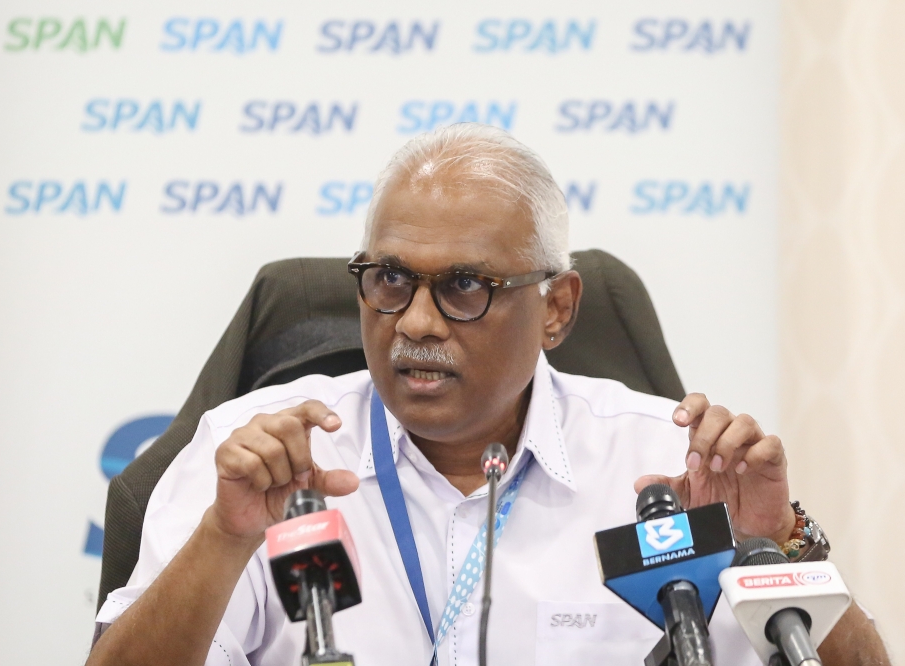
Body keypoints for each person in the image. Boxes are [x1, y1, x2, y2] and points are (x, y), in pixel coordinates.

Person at [88, 124, 888, 666]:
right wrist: (225, 541)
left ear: (560, 308)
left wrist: (772, 542)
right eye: (392, 279)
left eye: (467, 285)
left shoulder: (662, 466)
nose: (419, 321)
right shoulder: (264, 457)